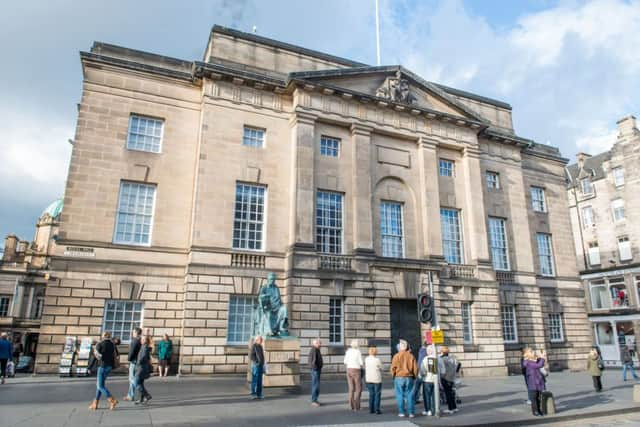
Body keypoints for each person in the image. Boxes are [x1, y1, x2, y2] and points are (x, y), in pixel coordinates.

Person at [89, 332, 118, 410]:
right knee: (100, 385)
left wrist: (89, 367)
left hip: (102, 366)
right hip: (109, 367)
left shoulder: (100, 344)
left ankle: (112, 400)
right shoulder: (112, 344)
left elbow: (96, 357)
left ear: (103, 336)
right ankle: (95, 404)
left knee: (100, 386)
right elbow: (116, 354)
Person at [390, 339, 418, 418]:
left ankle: (402, 412)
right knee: (410, 395)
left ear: (401, 347)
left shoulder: (396, 356)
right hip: (409, 377)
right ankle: (411, 412)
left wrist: (393, 375)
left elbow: (393, 368)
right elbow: (415, 368)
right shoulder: (411, 356)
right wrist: (414, 376)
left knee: (400, 395)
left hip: (399, 377)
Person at [523, 347, 547, 416]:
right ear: (528, 353)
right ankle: (535, 411)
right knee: (534, 398)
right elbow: (539, 365)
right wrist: (542, 358)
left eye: (532, 351)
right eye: (531, 351)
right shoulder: (528, 362)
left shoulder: (533, 360)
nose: (533, 352)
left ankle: (539, 410)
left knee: (539, 398)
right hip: (533, 382)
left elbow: (540, 363)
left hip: (538, 381)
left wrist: (542, 356)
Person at [344, 339, 364, 411]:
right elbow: (361, 362)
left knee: (351, 388)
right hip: (356, 370)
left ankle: (351, 406)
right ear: (357, 345)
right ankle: (357, 406)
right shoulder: (358, 352)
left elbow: (345, 361)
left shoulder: (348, 351)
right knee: (358, 388)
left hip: (349, 370)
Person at [439, 346, 459, 414]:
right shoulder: (452, 358)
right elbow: (457, 366)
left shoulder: (443, 359)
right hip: (451, 378)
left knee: (448, 394)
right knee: (451, 393)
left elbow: (442, 370)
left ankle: (450, 409)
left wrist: (441, 377)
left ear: (442, 352)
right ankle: (454, 407)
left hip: (446, 378)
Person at [124, 328, 142, 401]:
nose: (132, 333)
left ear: (136, 332)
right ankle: (130, 395)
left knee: (132, 379)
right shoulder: (140, 340)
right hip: (137, 362)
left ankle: (143, 392)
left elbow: (131, 352)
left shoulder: (135, 341)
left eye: (133, 332)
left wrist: (129, 359)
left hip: (134, 361)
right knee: (133, 379)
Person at [419, 344, 437, 416]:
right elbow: (442, 370)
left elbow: (422, 370)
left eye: (427, 350)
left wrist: (422, 376)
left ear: (429, 351)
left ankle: (428, 410)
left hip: (427, 380)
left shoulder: (426, 359)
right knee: (434, 396)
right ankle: (435, 409)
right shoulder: (437, 358)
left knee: (427, 396)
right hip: (435, 380)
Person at [134, 336, 153, 404]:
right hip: (143, 368)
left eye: (142, 339)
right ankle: (141, 399)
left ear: (146, 341)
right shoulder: (144, 346)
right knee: (141, 384)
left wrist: (138, 362)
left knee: (136, 383)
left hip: (141, 368)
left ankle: (147, 395)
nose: (141, 340)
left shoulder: (144, 347)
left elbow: (143, 357)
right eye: (141, 339)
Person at [365, 345, 383, 414]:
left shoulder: (366, 359)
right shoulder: (377, 360)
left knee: (371, 394)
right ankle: (377, 409)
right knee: (377, 394)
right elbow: (381, 368)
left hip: (369, 378)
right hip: (376, 379)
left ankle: (371, 409)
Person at [412, 338, 428, 404]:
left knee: (417, 386)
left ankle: (414, 399)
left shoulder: (421, 350)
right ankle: (414, 399)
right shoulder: (425, 351)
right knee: (418, 386)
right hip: (422, 371)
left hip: (419, 370)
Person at [308, 338, 323, 407]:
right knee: (315, 386)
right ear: (316, 343)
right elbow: (312, 361)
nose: (321, 344)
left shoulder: (317, 349)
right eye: (320, 343)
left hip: (316, 370)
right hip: (315, 370)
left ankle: (315, 400)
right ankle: (314, 400)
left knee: (316, 385)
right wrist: (315, 368)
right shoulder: (314, 350)